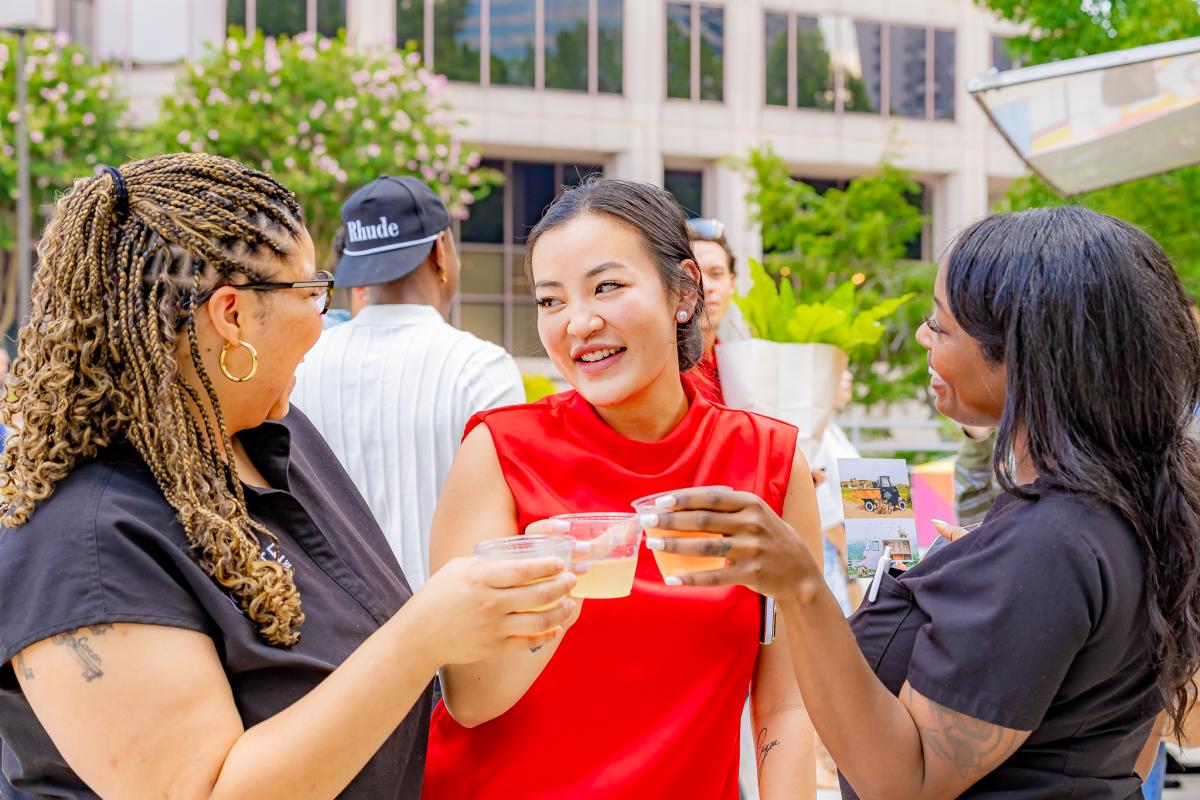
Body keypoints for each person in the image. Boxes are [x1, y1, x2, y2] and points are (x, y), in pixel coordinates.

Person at [0, 153, 575, 799]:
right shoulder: (81, 543)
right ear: (232, 315)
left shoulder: (275, 436)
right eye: (310, 293)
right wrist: (421, 637)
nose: (323, 321)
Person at [643, 206, 1200, 798]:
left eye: (941, 325)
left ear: (1022, 353)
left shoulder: (1050, 540)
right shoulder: (1130, 508)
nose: (922, 337)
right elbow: (1134, 746)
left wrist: (801, 586)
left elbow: (904, 783)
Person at [422, 178, 823, 799]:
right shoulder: (499, 451)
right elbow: (469, 701)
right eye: (550, 300)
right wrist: (556, 587)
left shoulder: (769, 461)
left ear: (682, 291)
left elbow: (787, 703)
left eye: (606, 286)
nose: (579, 323)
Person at [292, 176, 523, 590]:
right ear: (441, 251)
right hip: (454, 618)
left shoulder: (300, 364)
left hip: (331, 619)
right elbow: (504, 536)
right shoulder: (481, 368)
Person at [685, 217, 737, 404]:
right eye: (692, 275)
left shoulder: (738, 364)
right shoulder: (661, 369)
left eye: (716, 274)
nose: (705, 287)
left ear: (731, 284)